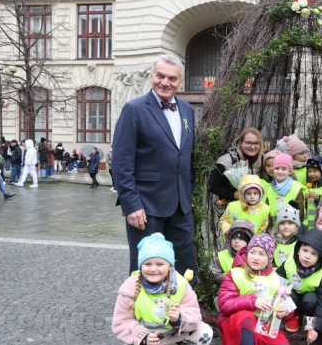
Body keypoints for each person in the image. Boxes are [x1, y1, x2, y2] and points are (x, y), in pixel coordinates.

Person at [112, 53, 198, 287]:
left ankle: (183, 312)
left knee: (185, 262)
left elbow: (187, 156)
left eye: (172, 78)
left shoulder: (188, 111)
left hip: (180, 204)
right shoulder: (135, 109)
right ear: (152, 77)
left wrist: (189, 193)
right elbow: (121, 161)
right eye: (160, 76)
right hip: (146, 206)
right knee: (147, 264)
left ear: (180, 82)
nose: (165, 82)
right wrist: (131, 204)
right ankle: (145, 315)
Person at [111, 233, 213, 345]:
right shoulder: (130, 287)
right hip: (149, 339)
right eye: (147, 264)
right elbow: (120, 322)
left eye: (159, 264)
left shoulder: (181, 284)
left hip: (173, 335)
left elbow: (195, 314)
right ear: (140, 266)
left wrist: (179, 318)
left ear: (170, 266)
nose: (153, 269)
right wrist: (142, 337)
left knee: (205, 332)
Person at [216, 234, 293, 345]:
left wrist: (285, 311)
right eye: (252, 252)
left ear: (270, 257)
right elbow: (224, 305)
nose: (256, 257)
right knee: (246, 317)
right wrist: (252, 301)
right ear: (247, 252)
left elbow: (284, 303)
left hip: (262, 325)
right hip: (235, 325)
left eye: (262, 254)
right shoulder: (235, 274)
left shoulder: (276, 279)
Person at [276, 228, 322, 337]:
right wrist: (282, 291)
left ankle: (310, 321)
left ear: (320, 258)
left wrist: (317, 328)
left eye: (314, 254)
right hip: (293, 296)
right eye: (305, 250)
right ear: (298, 250)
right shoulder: (290, 261)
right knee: (287, 292)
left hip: (310, 300)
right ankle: (294, 315)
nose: (307, 256)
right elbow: (280, 277)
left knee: (310, 300)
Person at [209, 127, 267, 205]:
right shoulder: (227, 161)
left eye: (256, 143)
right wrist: (234, 194)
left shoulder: (264, 160)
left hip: (258, 209)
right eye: (248, 143)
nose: (253, 147)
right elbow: (213, 187)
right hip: (232, 209)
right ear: (240, 143)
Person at [265, 153, 305, 228]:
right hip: (274, 231)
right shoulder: (270, 189)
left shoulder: (296, 187)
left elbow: (300, 212)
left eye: (284, 169)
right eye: (277, 168)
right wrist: (269, 230)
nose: (280, 172)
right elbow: (267, 213)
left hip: (291, 230)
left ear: (289, 171)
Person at [210, 219, 254, 284]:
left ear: (249, 241)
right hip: (227, 290)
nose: (236, 241)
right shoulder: (222, 256)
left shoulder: (253, 256)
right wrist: (228, 277)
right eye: (234, 238)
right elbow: (214, 273)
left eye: (241, 239)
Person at [304, 156, 322, 231]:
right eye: (309, 171)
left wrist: (318, 198)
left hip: (320, 228)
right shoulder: (305, 187)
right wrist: (304, 200)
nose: (311, 174)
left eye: (315, 171)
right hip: (307, 227)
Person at [272, 202, 300, 267]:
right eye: (282, 223)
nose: (286, 227)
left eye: (290, 223)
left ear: (297, 226)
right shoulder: (273, 241)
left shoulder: (299, 243)